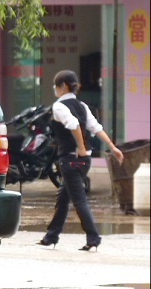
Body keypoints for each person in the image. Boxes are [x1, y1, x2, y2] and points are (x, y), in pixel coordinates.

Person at [38, 70, 124, 250]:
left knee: (79, 200)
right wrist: (112, 147)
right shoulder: (82, 106)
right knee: (64, 197)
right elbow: (96, 127)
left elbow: (74, 125)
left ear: (62, 87)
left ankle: (93, 238)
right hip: (84, 162)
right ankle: (51, 236)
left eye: (56, 86)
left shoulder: (59, 107)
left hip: (70, 160)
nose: (55, 89)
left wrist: (81, 147)